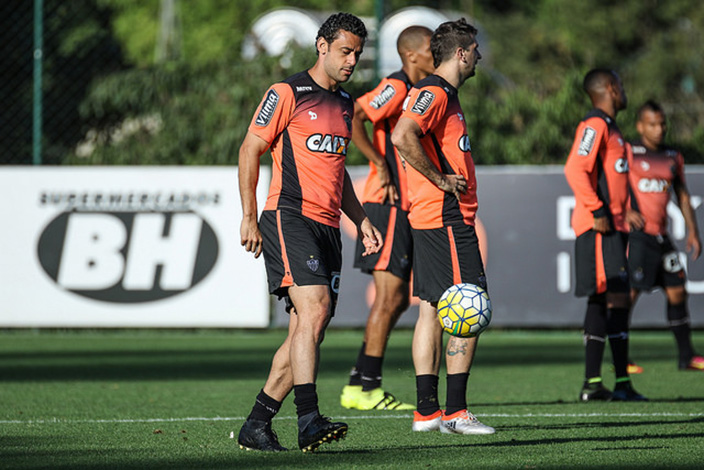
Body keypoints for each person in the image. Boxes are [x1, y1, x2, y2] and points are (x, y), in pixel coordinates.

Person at [237, 12, 383, 453]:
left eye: (357, 53)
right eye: (344, 50)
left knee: (308, 330)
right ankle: (308, 419)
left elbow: (338, 177)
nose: (352, 60)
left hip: (329, 226)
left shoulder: (345, 104)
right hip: (288, 216)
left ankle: (257, 424)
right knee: (315, 309)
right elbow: (250, 150)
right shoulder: (287, 93)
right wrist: (248, 215)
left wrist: (361, 219)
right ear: (321, 46)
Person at [391, 18, 495, 435]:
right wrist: (439, 179)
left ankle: (427, 412)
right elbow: (402, 136)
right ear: (461, 52)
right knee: (470, 306)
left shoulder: (439, 93)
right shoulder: (434, 91)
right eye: (475, 50)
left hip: (433, 216)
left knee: (433, 310)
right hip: (446, 215)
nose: (479, 57)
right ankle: (455, 411)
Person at [340, 25, 435, 412]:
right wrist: (378, 163)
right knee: (390, 297)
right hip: (387, 203)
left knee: (396, 301)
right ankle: (367, 389)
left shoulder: (420, 93)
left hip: (406, 205)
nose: (437, 54)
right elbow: (355, 115)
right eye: (432, 49)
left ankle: (357, 383)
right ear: (411, 55)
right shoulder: (396, 86)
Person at [564, 68, 646, 402]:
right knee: (614, 296)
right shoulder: (596, 124)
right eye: (621, 85)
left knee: (605, 298)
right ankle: (617, 383)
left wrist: (621, 208)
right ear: (611, 89)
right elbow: (575, 168)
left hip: (612, 224)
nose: (624, 91)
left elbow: (608, 176)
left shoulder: (611, 128)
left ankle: (596, 384)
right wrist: (598, 210)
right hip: (599, 226)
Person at [626, 100, 704, 372]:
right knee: (628, 296)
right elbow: (610, 184)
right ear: (640, 125)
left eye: (662, 124)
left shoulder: (673, 156)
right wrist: (623, 211)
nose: (659, 129)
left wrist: (693, 230)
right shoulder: (629, 152)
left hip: (662, 238)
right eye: (652, 124)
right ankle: (619, 357)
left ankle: (687, 357)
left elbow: (682, 194)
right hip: (638, 237)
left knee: (678, 291)